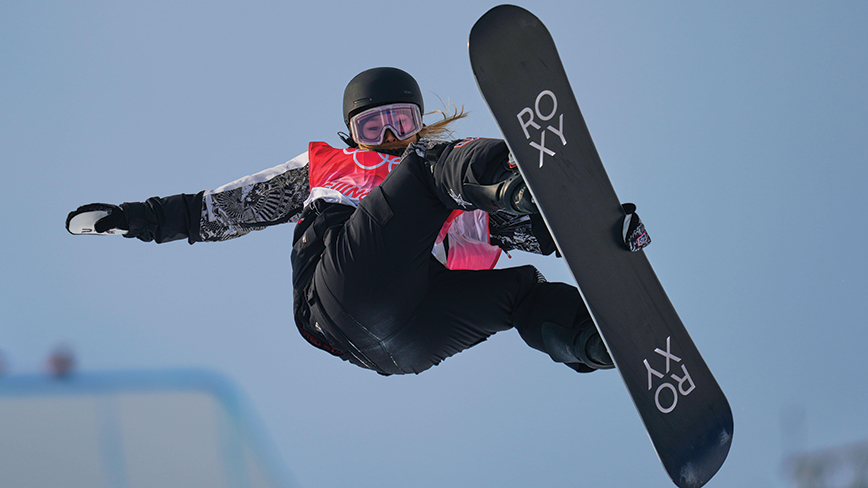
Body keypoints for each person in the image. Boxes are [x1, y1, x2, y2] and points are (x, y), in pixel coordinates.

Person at [66, 67, 623, 376]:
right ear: (352, 133)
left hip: (404, 345)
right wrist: (132, 219)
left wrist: (597, 225)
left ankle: (593, 342)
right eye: (372, 126)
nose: (389, 135)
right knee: (428, 166)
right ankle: (512, 177)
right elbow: (218, 210)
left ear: (418, 119)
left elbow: (549, 234)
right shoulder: (331, 168)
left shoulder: (463, 206)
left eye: (400, 120)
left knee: (522, 292)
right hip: (344, 292)